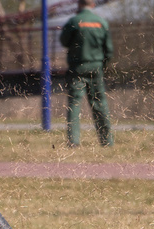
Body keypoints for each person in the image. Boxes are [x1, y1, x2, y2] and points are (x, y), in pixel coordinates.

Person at [60, 0, 114, 147]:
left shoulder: (74, 21)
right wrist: (102, 65)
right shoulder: (101, 22)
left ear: (79, 5)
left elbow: (63, 41)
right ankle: (107, 141)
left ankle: (73, 141)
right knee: (99, 103)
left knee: (74, 104)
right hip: (96, 67)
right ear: (93, 5)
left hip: (77, 68)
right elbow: (108, 50)